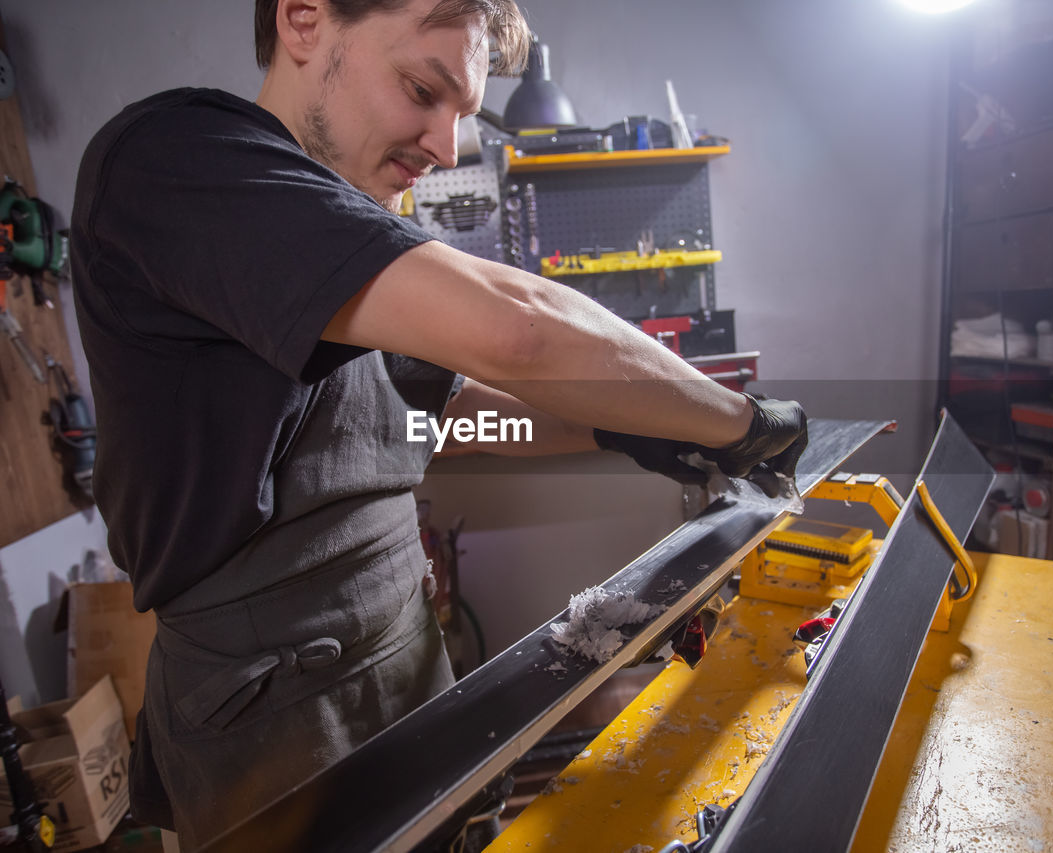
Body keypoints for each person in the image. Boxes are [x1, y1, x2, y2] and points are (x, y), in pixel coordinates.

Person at [70, 0, 807, 848]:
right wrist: (736, 421)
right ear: (305, 21)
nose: (445, 147)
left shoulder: (341, 226)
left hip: (404, 641)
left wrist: (622, 430)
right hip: (273, 700)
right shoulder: (176, 162)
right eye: (424, 89)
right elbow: (517, 328)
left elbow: (449, 408)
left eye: (462, 115)